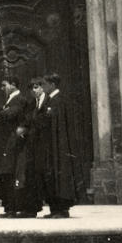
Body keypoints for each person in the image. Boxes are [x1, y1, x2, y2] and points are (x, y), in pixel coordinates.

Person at [39, 72, 84, 218]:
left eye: (44, 84)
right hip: (50, 146)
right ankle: (54, 209)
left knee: (60, 176)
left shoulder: (59, 100)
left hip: (59, 146)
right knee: (52, 176)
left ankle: (62, 209)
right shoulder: (49, 100)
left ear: (52, 85)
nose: (42, 87)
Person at [9, 78, 45, 218]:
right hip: (30, 146)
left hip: (41, 145)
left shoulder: (45, 102)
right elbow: (27, 121)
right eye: (31, 88)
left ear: (42, 87)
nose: (34, 90)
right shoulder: (31, 104)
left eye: (36, 87)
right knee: (29, 177)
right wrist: (23, 129)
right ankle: (31, 208)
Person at [0, 73, 25, 216]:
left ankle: (13, 207)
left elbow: (10, 113)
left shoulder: (19, 99)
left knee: (11, 174)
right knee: (6, 174)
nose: (2, 88)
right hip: (6, 143)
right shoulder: (10, 100)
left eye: (4, 85)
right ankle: (9, 207)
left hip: (13, 143)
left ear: (13, 85)